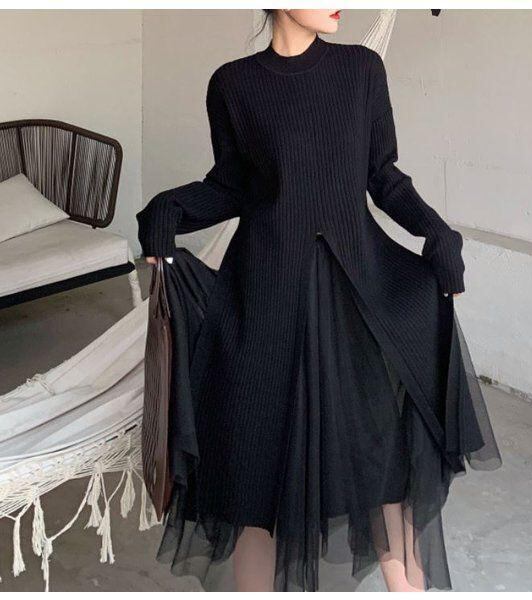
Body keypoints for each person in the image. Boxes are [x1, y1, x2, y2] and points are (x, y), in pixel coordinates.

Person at [136, 8, 502, 593]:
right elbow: (231, 185)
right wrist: (169, 210)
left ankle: (407, 588)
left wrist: (435, 232)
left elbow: (383, 176)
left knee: (379, 454)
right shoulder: (233, 84)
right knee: (253, 466)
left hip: (354, 293)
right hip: (261, 296)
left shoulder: (361, 70)